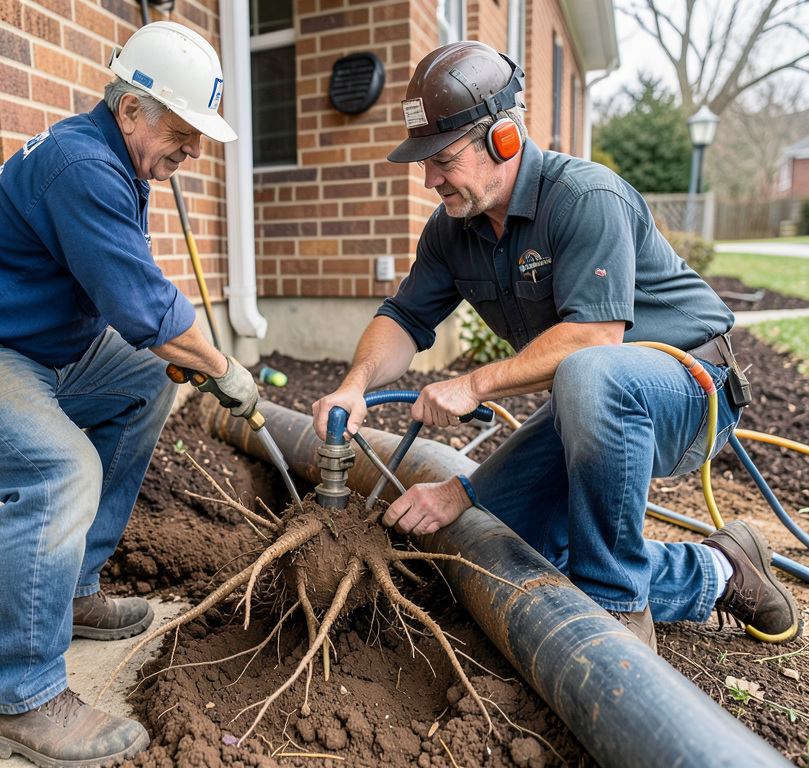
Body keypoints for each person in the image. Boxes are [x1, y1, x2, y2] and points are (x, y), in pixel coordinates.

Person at [313, 41, 800, 653]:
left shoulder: (584, 197)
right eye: (424, 163)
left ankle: (618, 608)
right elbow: (404, 319)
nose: (431, 178)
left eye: (444, 158)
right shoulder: (451, 230)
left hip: (690, 389)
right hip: (589, 399)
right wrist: (353, 385)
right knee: (515, 551)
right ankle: (723, 570)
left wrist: (473, 385)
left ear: (504, 139)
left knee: (591, 372)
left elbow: (597, 341)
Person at [0, 22, 257, 768]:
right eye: (184, 131)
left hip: (32, 356)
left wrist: (187, 358)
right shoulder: (82, 167)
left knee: (146, 377)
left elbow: (139, 324)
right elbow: (146, 310)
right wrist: (223, 366)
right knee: (61, 472)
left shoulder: (118, 167)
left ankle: (73, 589)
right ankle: (19, 700)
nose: (193, 149)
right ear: (130, 111)